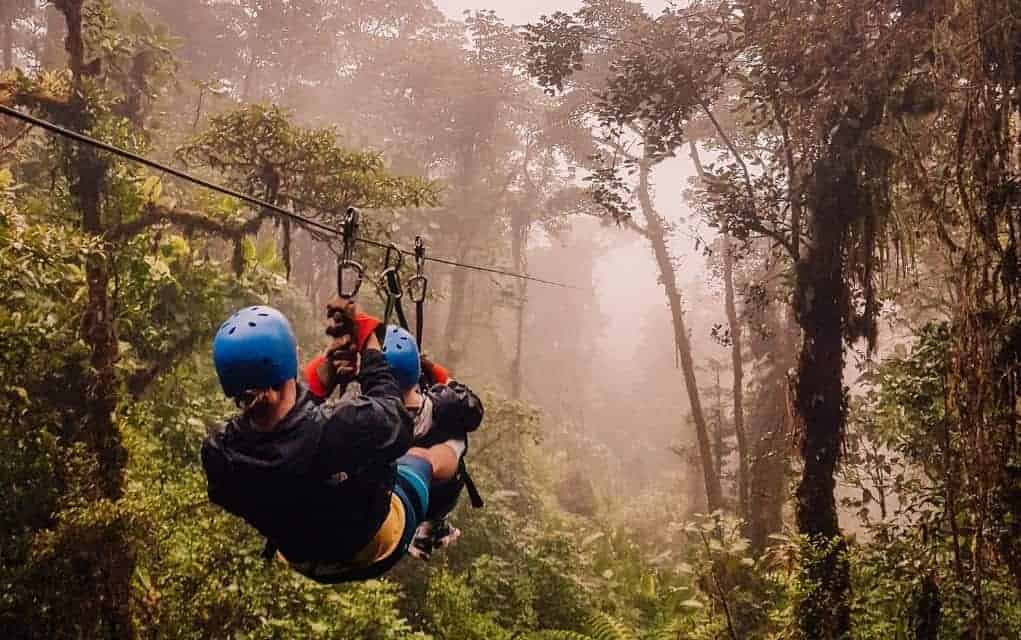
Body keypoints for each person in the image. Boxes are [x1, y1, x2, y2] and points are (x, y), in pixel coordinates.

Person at [201, 302, 458, 583]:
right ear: (288, 361)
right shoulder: (344, 428)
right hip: (373, 548)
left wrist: (327, 373)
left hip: (301, 557)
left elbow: (286, 430)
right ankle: (436, 519)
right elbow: (395, 419)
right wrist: (369, 344)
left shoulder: (221, 454)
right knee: (429, 455)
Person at [304, 324, 484, 561]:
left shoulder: (364, 421)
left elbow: (299, 416)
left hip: (380, 504)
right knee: (451, 443)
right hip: (430, 496)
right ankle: (429, 525)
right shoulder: (445, 408)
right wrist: (429, 369)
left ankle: (424, 526)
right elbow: (469, 403)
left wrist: (332, 364)